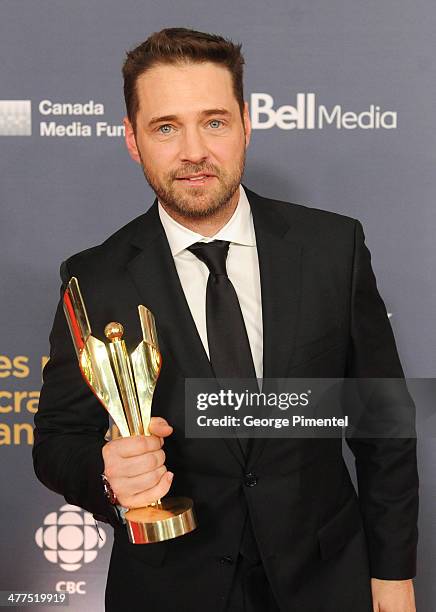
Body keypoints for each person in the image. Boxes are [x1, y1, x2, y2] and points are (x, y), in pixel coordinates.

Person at [33, 28, 418, 612]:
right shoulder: (95, 278)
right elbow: (58, 441)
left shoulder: (333, 246)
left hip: (325, 578)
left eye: (213, 122)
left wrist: (393, 577)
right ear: (133, 140)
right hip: (169, 586)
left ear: (245, 123)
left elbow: (382, 421)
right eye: (166, 127)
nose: (194, 151)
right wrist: (110, 474)